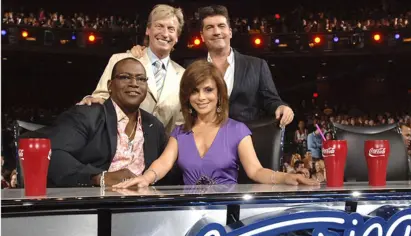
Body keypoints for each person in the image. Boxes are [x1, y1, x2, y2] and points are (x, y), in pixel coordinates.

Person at [113, 60, 318, 188]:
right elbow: (163, 163)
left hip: (226, 214)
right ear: (187, 97)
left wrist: (286, 178)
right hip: (187, 215)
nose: (201, 97)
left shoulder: (238, 131)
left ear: (219, 94)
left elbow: (256, 171)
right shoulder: (180, 133)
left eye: (208, 90)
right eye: (194, 91)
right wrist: (146, 178)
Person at [130, 5, 294, 127]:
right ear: (202, 36)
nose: (216, 32)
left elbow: (271, 100)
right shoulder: (190, 67)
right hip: (203, 145)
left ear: (230, 31)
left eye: (221, 26)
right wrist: (141, 52)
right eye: (210, 27)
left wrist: (282, 107)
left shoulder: (257, 66)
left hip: (247, 144)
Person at [47, 58, 170, 187]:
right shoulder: (87, 115)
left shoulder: (154, 126)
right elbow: (54, 153)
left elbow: (169, 168)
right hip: (95, 202)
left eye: (141, 79)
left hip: (142, 203)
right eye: (125, 77)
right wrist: (98, 178)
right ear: (110, 85)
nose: (134, 83)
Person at [78, 5, 185, 134]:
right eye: (159, 26)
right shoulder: (120, 60)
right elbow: (100, 97)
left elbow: (180, 122)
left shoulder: (184, 76)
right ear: (148, 30)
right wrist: (91, 101)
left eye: (171, 29)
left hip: (161, 150)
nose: (165, 33)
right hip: (117, 145)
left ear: (177, 37)